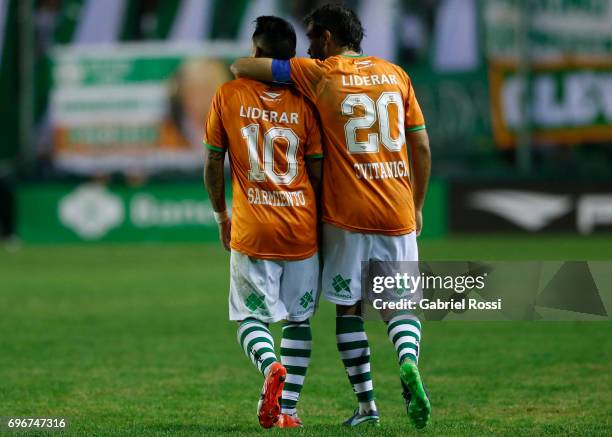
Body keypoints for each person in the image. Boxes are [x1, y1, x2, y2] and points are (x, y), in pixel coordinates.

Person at [230, 4, 432, 429]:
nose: (308, 47)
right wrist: (416, 204)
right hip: (397, 209)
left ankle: (367, 406)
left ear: (325, 37)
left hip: (346, 216)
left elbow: (243, 65)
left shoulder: (318, 73)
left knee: (349, 310)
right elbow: (423, 149)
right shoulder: (397, 75)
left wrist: (277, 59)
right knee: (399, 308)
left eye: (311, 38)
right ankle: (408, 362)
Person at [203, 16, 323, 429]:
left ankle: (270, 365)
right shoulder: (307, 102)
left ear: (255, 52)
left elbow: (213, 161)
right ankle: (286, 411)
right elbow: (319, 170)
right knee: (299, 320)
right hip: (302, 228)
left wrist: (222, 215)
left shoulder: (229, 95)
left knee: (249, 319)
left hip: (253, 227)